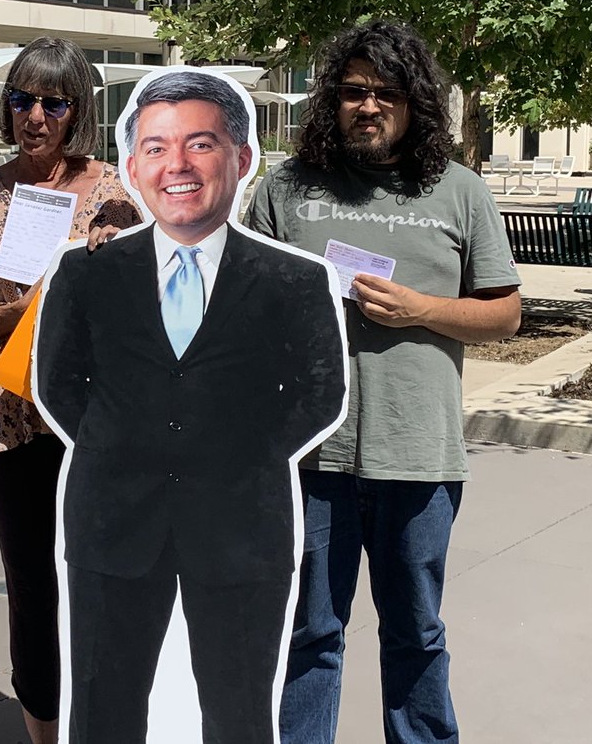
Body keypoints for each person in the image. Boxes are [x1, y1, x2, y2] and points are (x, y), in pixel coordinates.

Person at [34, 68, 349, 744]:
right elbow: (60, 388)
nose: (176, 164)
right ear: (132, 167)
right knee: (101, 714)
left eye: (199, 144)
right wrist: (127, 444)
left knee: (239, 718)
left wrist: (239, 450)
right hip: (112, 524)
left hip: (241, 527)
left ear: (239, 160)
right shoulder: (84, 274)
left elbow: (320, 394)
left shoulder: (292, 282)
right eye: (155, 147)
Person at [245, 20, 522, 744]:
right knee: (310, 636)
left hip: (418, 453)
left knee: (415, 634)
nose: (369, 107)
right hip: (310, 458)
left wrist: (421, 310)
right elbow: (238, 307)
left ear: (415, 102)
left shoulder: (457, 192)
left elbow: (505, 315)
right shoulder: (286, 189)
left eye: (387, 93)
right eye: (354, 91)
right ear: (331, 99)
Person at [0, 36, 140, 744]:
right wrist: (7, 316)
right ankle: (44, 734)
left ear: (78, 110)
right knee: (33, 586)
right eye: (22, 99)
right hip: (9, 418)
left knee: (104, 580)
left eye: (53, 102)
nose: (35, 116)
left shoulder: (116, 194)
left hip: (97, 418)